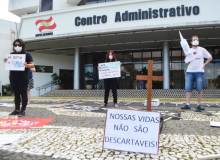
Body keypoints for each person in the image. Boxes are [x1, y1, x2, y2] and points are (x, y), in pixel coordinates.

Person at [3, 39, 34, 117]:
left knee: (23, 93)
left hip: (23, 76)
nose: (17, 47)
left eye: (19, 45)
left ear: (22, 46)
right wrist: (5, 60)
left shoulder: (27, 54)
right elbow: (8, 63)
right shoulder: (11, 54)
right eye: (15, 45)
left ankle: (22, 110)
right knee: (16, 94)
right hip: (13, 76)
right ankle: (17, 109)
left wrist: (26, 65)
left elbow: (32, 65)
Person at [181, 35, 212, 110]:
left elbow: (210, 57)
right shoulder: (189, 51)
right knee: (188, 89)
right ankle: (187, 104)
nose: (196, 40)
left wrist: (204, 64)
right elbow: (188, 63)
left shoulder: (202, 49)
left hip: (199, 72)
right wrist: (186, 56)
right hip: (190, 72)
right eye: (194, 39)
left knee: (199, 89)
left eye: (197, 39)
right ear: (191, 42)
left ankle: (199, 104)